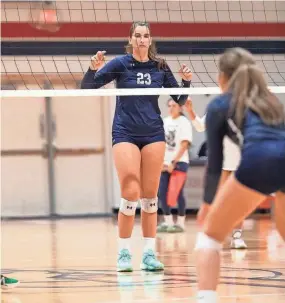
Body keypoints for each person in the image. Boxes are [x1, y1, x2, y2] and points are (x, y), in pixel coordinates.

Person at [81, 21, 192, 272]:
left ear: (150, 40)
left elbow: (180, 99)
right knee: (130, 191)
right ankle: (123, 253)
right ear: (131, 39)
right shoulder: (121, 64)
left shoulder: (160, 66)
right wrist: (92, 68)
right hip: (125, 132)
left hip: (153, 132)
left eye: (146, 36)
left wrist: (186, 81)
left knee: (150, 197)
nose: (142, 40)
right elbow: (87, 88)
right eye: (138, 36)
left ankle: (149, 254)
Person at [194, 47, 285, 303]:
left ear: (222, 76)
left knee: (209, 238)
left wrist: (207, 204)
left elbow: (215, 164)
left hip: (259, 162)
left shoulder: (221, 104)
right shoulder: (271, 101)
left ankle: (206, 297)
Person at [184, 99, 247, 249]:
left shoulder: (247, 107)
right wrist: (190, 110)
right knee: (216, 201)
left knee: (238, 202)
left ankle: (237, 235)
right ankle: (211, 234)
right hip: (222, 163)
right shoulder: (218, 108)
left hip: (241, 162)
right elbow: (200, 126)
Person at [157, 98, 193, 233]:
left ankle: (181, 223)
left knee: (177, 193)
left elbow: (184, 144)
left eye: (174, 106)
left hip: (180, 162)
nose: (171, 108)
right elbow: (160, 144)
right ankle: (168, 222)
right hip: (164, 163)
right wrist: (161, 162)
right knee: (162, 193)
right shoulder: (165, 122)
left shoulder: (184, 122)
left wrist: (174, 162)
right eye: (169, 106)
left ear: (180, 108)